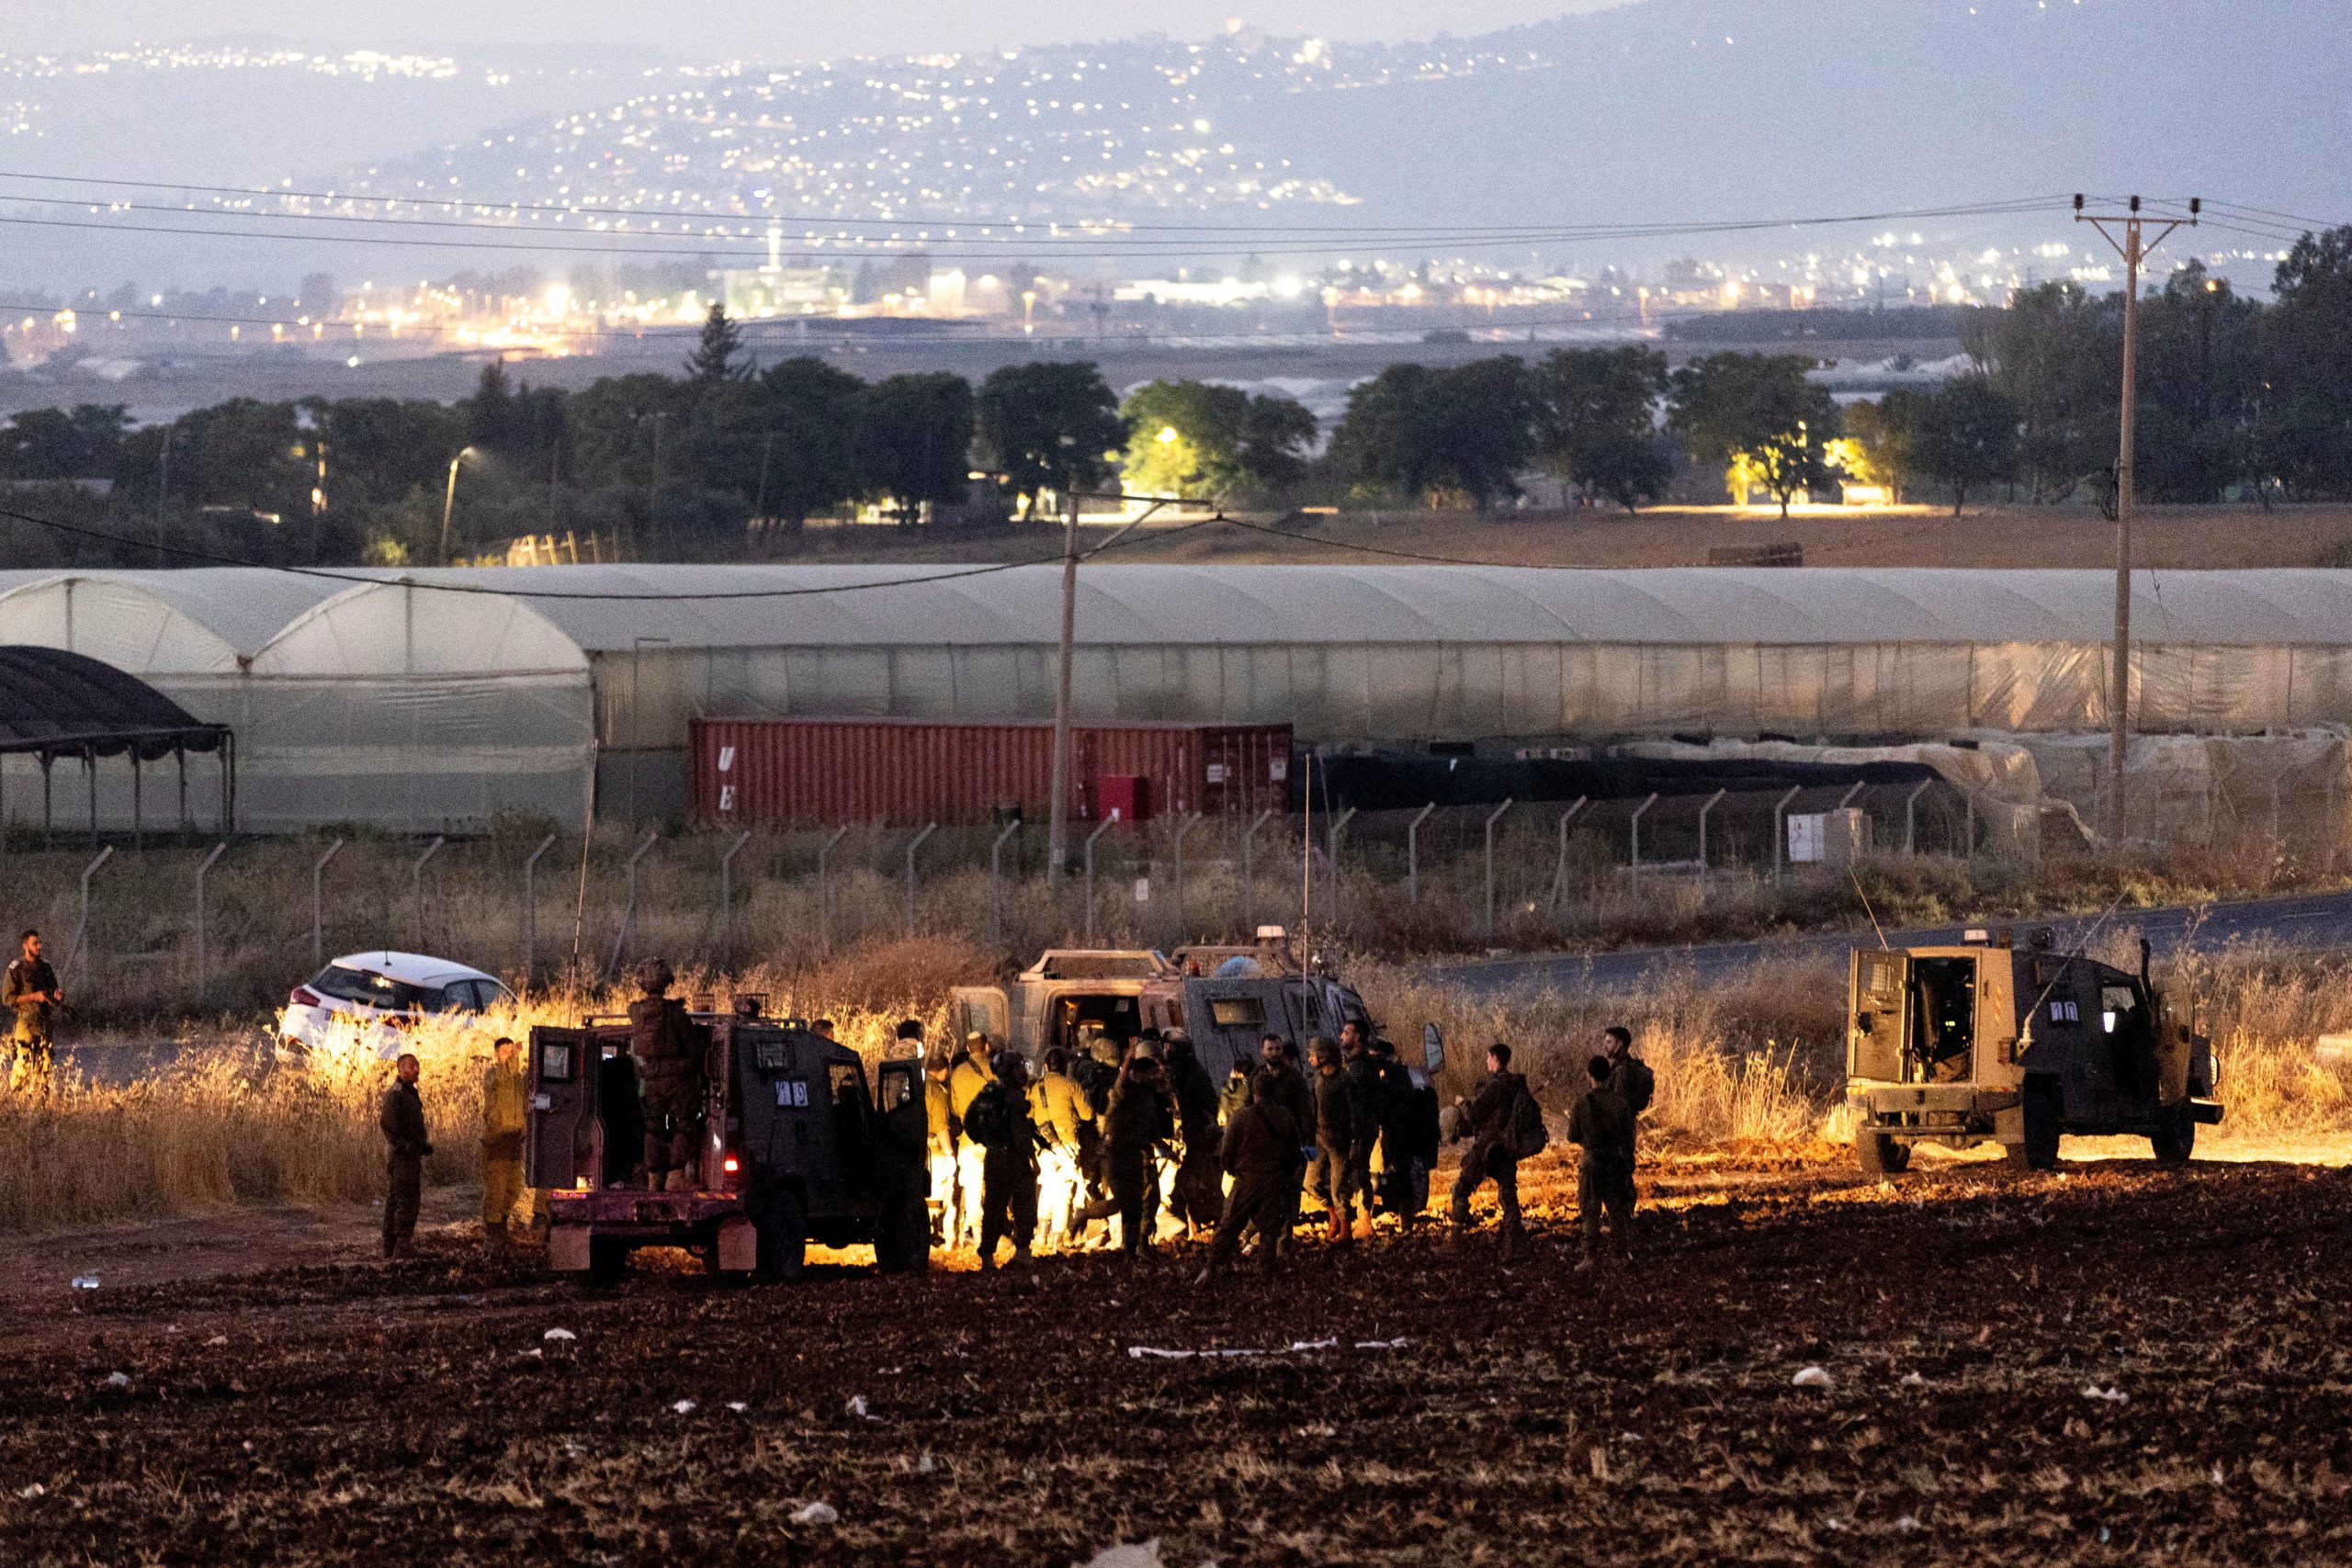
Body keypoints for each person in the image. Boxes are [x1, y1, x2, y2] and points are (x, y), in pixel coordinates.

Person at [1193, 1072, 1301, 1283]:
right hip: (1274, 1181)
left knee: (1229, 1225)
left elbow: (1226, 1153)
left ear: (1254, 1092)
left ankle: (1211, 1268)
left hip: (1246, 1181)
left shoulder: (1241, 1117)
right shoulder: (1285, 1116)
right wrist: (1283, 1175)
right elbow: (1295, 1152)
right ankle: (1265, 1273)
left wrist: (1235, 1171)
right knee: (1269, 1230)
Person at [1448, 1042, 1531, 1261]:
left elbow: (1474, 1114)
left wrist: (1462, 1103)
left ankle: (1455, 1242)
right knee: (1508, 1194)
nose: (1486, 1061)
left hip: (1487, 1145)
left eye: (1488, 1058)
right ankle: (1512, 1244)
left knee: (1462, 1187)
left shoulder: (1496, 1086)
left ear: (1495, 1059)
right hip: (1507, 1146)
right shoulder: (1517, 1085)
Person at [628, 958, 703, 1191]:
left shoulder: (636, 1012)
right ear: (665, 983)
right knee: (686, 1122)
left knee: (653, 1125)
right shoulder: (674, 1012)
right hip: (678, 1078)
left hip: (651, 1078)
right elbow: (694, 1047)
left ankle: (654, 1178)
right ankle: (675, 1176)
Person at [967, 1052, 1042, 1271]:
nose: (1023, 1071)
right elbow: (1020, 1133)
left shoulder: (988, 1092)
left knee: (993, 1207)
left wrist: (988, 1142)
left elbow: (969, 1122)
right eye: (1019, 1067)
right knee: (1024, 1205)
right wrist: (1032, 1159)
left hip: (994, 1156)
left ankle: (988, 1256)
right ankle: (1023, 1252)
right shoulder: (1014, 1096)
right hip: (1015, 1158)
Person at [1102, 1044, 1172, 1258]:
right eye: (1150, 1073)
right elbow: (1121, 1083)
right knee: (1130, 1203)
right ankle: (1130, 1247)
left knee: (1150, 1200)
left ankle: (1141, 1243)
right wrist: (1129, 1056)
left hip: (1142, 1153)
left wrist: (1162, 1145)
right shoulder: (1124, 1094)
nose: (1155, 1076)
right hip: (1124, 1155)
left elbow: (1150, 1126)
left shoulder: (1148, 1096)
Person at [1568, 1054, 1638, 1269]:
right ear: (1609, 1076)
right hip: (1615, 1163)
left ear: (1589, 1075)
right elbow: (1629, 1135)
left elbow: (1572, 1136)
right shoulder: (1621, 1103)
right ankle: (1620, 1256)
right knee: (1617, 1210)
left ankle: (1590, 1257)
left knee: (1590, 1211)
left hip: (1591, 1162)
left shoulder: (1581, 1104)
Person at [1030, 1046, 1094, 1251]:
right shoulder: (1071, 1085)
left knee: (1048, 1188)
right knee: (1064, 1192)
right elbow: (1087, 1115)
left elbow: (1029, 1114)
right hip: (1067, 1145)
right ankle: (1058, 1239)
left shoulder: (1035, 1087)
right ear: (1066, 1066)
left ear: (1046, 1066)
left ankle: (1041, 1235)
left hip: (1044, 1147)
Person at [1162, 1034, 1223, 1241]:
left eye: (1170, 1046)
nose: (1166, 1049)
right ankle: (1190, 1222)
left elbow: (1208, 1103)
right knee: (1183, 1182)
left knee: (1189, 1181)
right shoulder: (1175, 1070)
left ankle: (1193, 1223)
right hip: (1183, 1134)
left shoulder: (1192, 1072)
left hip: (1193, 1134)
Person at [1306, 1036, 1363, 1245]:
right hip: (1320, 1139)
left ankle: (1345, 1229)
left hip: (1341, 1141)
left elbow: (1355, 1113)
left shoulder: (1345, 1080)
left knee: (1338, 1187)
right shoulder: (1317, 1079)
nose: (1310, 1058)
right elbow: (1313, 1109)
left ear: (1324, 1056)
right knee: (1310, 1183)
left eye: (1313, 1054)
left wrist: (1355, 1142)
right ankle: (1332, 1214)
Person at [1369, 1038, 1431, 1229]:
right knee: (1381, 1175)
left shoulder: (1396, 1074)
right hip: (1387, 1131)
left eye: (1373, 1054)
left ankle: (1406, 1221)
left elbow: (1403, 1100)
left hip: (1397, 1132)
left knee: (1401, 1175)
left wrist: (1383, 1085)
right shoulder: (1385, 1073)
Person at [379, 1051, 432, 1258]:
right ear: (400, 1069)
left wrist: (421, 1146)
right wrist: (405, 1146)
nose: (416, 1070)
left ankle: (391, 1246)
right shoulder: (398, 1093)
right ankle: (401, 1245)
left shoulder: (409, 1092)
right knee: (406, 1200)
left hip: (409, 1154)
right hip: (402, 1156)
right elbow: (388, 1125)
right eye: (411, 1066)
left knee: (397, 1198)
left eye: (417, 1065)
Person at [948, 1034, 997, 1248]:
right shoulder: (996, 1069)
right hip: (994, 1140)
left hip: (969, 1141)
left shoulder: (958, 1073)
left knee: (973, 1188)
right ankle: (994, 1234)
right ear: (986, 1047)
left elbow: (956, 1109)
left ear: (968, 1049)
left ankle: (978, 1238)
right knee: (996, 1188)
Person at [480, 1035, 527, 1246]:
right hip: (498, 1139)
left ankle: (502, 1222)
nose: (511, 1055)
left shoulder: (517, 1078)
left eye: (512, 1051)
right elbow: (502, 1080)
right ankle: (493, 1229)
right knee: (496, 1189)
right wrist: (512, 1061)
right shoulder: (492, 1074)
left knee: (513, 1187)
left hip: (515, 1138)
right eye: (506, 1051)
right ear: (497, 1054)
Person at [1339, 1022, 1383, 1238]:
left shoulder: (1359, 1067)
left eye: (1346, 1033)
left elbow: (1356, 1106)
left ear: (1357, 1037)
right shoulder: (1364, 1062)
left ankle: (1364, 1221)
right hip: (1366, 1127)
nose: (1341, 1036)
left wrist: (1355, 1139)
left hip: (1361, 1129)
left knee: (1360, 1173)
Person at [4, 930, 61, 1089]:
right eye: (35, 943)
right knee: (23, 1063)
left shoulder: (45, 968)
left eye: (39, 943)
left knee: (45, 1064)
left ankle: (40, 1103)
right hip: (26, 1023)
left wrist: (57, 996)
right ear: (25, 946)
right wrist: (33, 997)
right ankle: (17, 1103)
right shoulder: (16, 968)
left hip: (44, 1023)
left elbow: (53, 994)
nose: (39, 946)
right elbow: (8, 999)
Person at [923, 1049, 960, 1247]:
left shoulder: (916, 1086)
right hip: (936, 1152)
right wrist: (949, 1154)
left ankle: (927, 1231)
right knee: (937, 1193)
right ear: (944, 1071)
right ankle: (932, 1232)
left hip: (921, 1147)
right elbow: (941, 1127)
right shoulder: (938, 1092)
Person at [1601, 1025, 1657, 1122]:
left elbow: (1619, 1106)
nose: (1605, 1046)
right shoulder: (1624, 1066)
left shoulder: (1622, 1070)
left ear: (1620, 1044)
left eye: (1609, 1042)